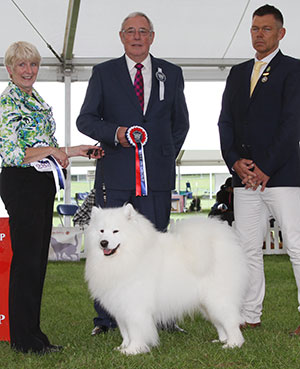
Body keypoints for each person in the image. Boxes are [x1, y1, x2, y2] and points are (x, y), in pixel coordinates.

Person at [76, 11, 189, 334]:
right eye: (130, 31)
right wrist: (118, 133)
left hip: (156, 177)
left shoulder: (172, 73)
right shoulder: (103, 73)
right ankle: (107, 318)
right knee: (108, 249)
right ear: (121, 36)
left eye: (143, 31)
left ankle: (163, 315)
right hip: (115, 175)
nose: (137, 36)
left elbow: (180, 123)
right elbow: (85, 119)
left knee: (156, 246)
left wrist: (162, 153)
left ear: (152, 36)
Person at [0, 41, 103, 354]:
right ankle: (23, 339)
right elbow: (11, 152)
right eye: (22, 65)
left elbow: (51, 146)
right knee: (26, 263)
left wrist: (76, 150)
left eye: (33, 65)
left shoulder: (35, 98)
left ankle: (33, 333)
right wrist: (51, 151)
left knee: (36, 263)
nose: (29, 71)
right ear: (9, 69)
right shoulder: (9, 102)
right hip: (22, 182)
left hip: (41, 182)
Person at [218, 4, 300, 333]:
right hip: (244, 178)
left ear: (281, 33)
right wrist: (235, 161)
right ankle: (250, 314)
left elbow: (292, 125)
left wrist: (265, 167)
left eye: (266, 29)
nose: (259, 34)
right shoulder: (237, 73)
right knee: (247, 248)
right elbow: (225, 122)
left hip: (282, 176)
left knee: (295, 245)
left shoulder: (293, 70)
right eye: (254, 28)